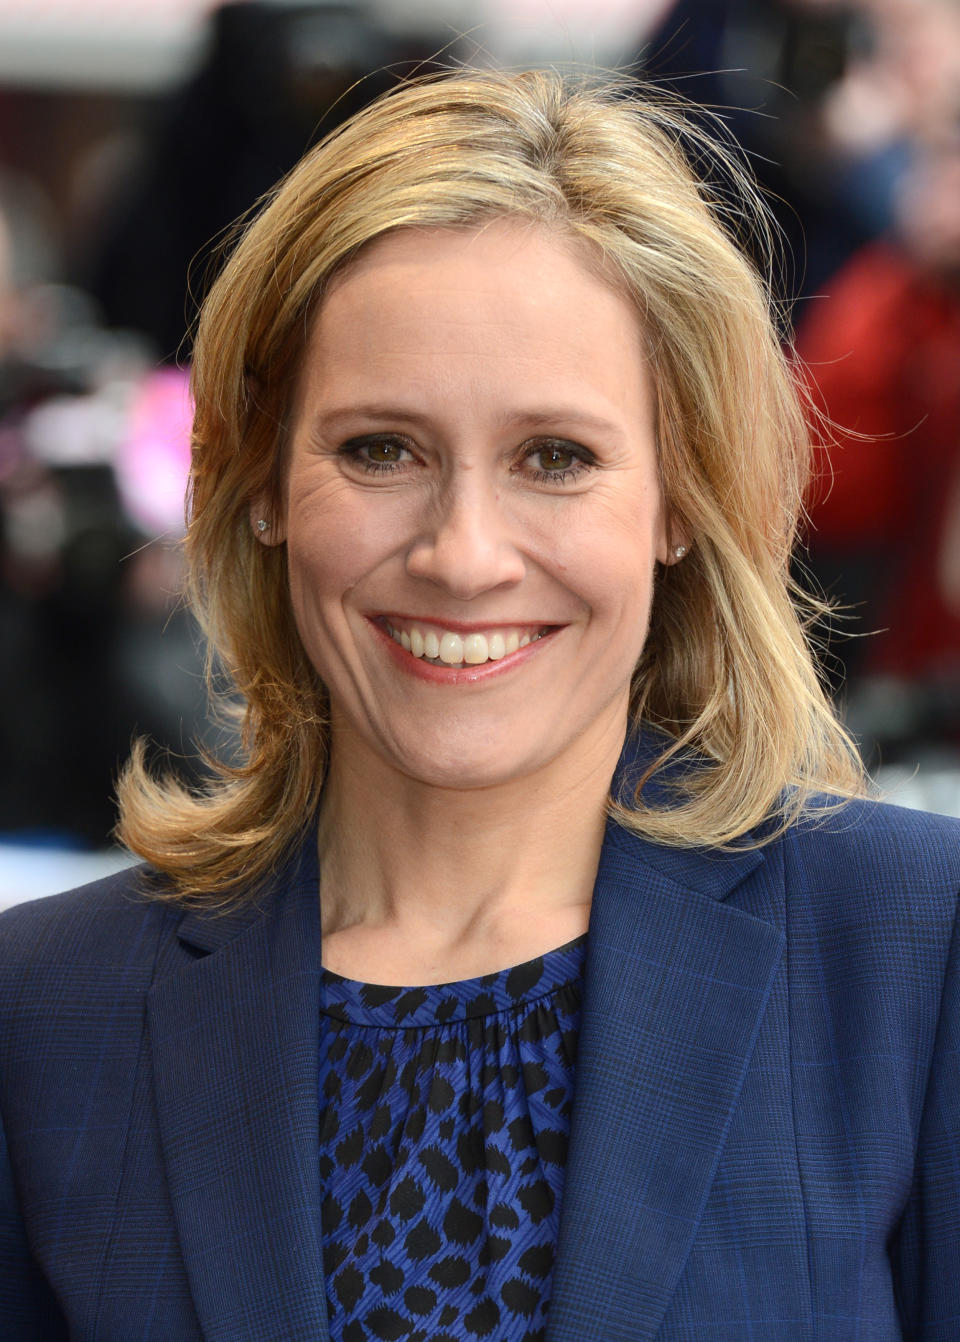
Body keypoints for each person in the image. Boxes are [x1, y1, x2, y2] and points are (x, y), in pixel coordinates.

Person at [1, 69, 958, 1342]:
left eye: (555, 458)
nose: (464, 553)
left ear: (680, 496)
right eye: (380, 449)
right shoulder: (44, 1010)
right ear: (260, 481)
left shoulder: (913, 951)